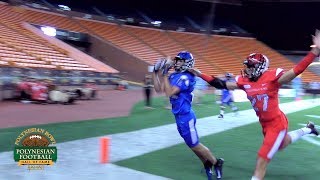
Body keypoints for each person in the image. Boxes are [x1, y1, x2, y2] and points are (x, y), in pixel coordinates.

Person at [188, 30, 320, 180]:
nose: (247, 69)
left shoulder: (272, 78)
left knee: (261, 160)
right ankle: (308, 129)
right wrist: (200, 74)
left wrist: (314, 51)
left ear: (260, 66)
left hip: (277, 124)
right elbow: (221, 84)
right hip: (265, 124)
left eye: (250, 66)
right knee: (282, 144)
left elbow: (296, 70)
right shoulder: (245, 82)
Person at [152, 51, 224, 180]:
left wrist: (164, 73)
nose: (176, 62)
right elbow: (158, 89)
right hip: (179, 116)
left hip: (186, 116)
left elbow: (169, 93)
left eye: (180, 60)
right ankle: (207, 163)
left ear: (187, 63)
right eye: (177, 60)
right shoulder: (175, 75)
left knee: (195, 144)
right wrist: (155, 72)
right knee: (191, 145)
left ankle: (216, 162)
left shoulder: (186, 77)